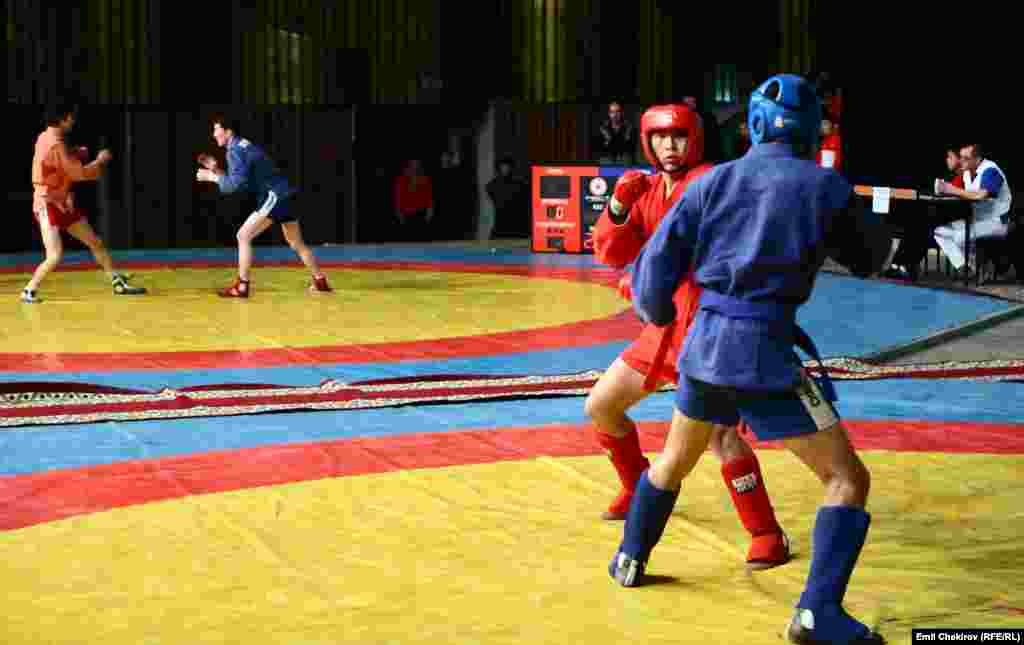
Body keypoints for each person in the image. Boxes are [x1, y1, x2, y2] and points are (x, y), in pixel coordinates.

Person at [609, 75, 892, 645]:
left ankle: (629, 558)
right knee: (846, 479)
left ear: (754, 126)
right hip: (763, 349)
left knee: (673, 460)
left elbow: (652, 272)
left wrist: (660, 314)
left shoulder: (714, 181)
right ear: (812, 131)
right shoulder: (824, 184)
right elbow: (872, 257)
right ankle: (817, 613)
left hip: (703, 345)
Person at [587, 103, 790, 570]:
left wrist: (651, 280)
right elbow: (610, 253)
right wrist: (618, 206)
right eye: (659, 138)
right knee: (602, 405)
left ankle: (766, 533)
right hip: (664, 329)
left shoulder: (714, 182)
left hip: (709, 328)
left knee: (720, 436)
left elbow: (739, 251)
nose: (669, 146)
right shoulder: (646, 188)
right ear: (647, 141)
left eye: (678, 137)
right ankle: (638, 488)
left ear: (694, 139)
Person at [22, 102, 146, 303]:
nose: (73, 120)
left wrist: (74, 154)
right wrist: (99, 161)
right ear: (62, 119)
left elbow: (57, 167)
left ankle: (116, 281)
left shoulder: (45, 137)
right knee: (54, 255)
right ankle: (29, 290)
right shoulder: (55, 144)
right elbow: (76, 173)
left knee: (94, 242)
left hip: (61, 201)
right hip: (48, 204)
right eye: (70, 117)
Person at [196, 115, 331, 297]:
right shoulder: (243, 144)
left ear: (228, 131)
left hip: (274, 196)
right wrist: (216, 170)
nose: (214, 134)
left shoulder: (234, 150)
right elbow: (241, 181)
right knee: (296, 242)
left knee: (243, 236)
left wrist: (211, 177)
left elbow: (234, 186)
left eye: (216, 129)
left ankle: (242, 286)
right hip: (286, 195)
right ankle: (320, 281)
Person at [884, 147, 965, 281]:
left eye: (950, 157)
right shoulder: (951, 176)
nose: (947, 160)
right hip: (941, 213)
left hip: (955, 217)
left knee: (922, 226)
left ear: (960, 158)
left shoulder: (965, 176)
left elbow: (959, 200)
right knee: (915, 223)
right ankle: (898, 265)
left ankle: (905, 266)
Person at [933, 143, 1013, 277]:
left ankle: (980, 266)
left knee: (959, 237)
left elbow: (981, 195)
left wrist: (952, 190)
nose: (961, 161)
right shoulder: (967, 173)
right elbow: (961, 192)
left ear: (977, 159)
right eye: (961, 157)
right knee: (940, 232)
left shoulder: (990, 170)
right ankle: (965, 268)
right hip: (978, 221)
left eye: (966, 158)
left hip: (998, 222)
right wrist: (945, 189)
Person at [486, 157, 529, 239]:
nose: (505, 170)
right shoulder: (492, 185)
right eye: (503, 167)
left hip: (516, 226)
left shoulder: (520, 185)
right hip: (501, 225)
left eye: (507, 167)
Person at [392, 159, 435, 242]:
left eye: (417, 165)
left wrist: (430, 210)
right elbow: (398, 196)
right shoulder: (401, 179)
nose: (415, 168)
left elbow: (429, 196)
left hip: (421, 213)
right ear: (409, 165)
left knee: (422, 239)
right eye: (413, 165)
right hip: (406, 213)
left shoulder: (424, 178)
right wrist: (398, 212)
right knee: (407, 239)